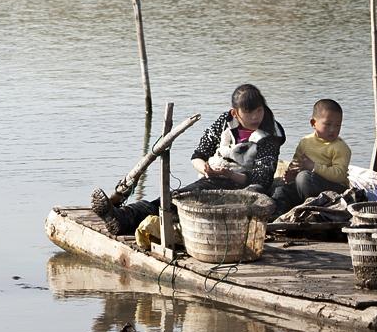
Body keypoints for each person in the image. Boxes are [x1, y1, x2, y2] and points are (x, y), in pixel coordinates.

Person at [91, 83, 286, 236]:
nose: (255, 117)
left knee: (182, 201)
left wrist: (229, 174)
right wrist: (205, 169)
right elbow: (198, 156)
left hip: (244, 189)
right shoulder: (224, 122)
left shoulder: (270, 134)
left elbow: (262, 180)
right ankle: (123, 216)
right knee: (175, 197)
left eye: (259, 110)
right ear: (235, 112)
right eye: (249, 112)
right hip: (211, 180)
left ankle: (123, 218)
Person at [271, 99, 352, 219]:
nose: (333, 129)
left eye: (337, 125)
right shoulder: (305, 142)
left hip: (335, 191)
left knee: (305, 177)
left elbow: (339, 175)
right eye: (328, 124)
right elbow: (295, 164)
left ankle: (312, 211)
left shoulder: (340, 147)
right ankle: (276, 216)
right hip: (306, 186)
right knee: (281, 190)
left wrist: (313, 167)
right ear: (313, 123)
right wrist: (292, 174)